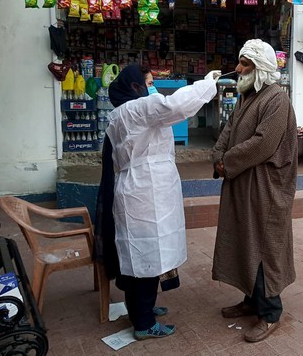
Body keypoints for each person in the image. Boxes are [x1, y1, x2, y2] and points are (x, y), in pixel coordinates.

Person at [94, 65, 220, 340]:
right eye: (148, 83)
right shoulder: (136, 110)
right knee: (144, 257)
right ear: (135, 87)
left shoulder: (121, 114)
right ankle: (143, 323)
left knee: (142, 256)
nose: (153, 89)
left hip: (142, 190)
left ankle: (142, 309)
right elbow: (175, 106)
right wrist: (206, 84)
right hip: (144, 193)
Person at [212, 39, 298, 343]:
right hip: (242, 184)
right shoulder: (247, 96)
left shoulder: (276, 100)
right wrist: (218, 157)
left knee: (263, 247)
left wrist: (228, 162)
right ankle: (251, 301)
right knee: (243, 242)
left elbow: (263, 144)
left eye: (245, 64)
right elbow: (228, 130)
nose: (238, 69)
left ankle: (270, 312)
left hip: (265, 190)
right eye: (239, 62)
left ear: (260, 68)